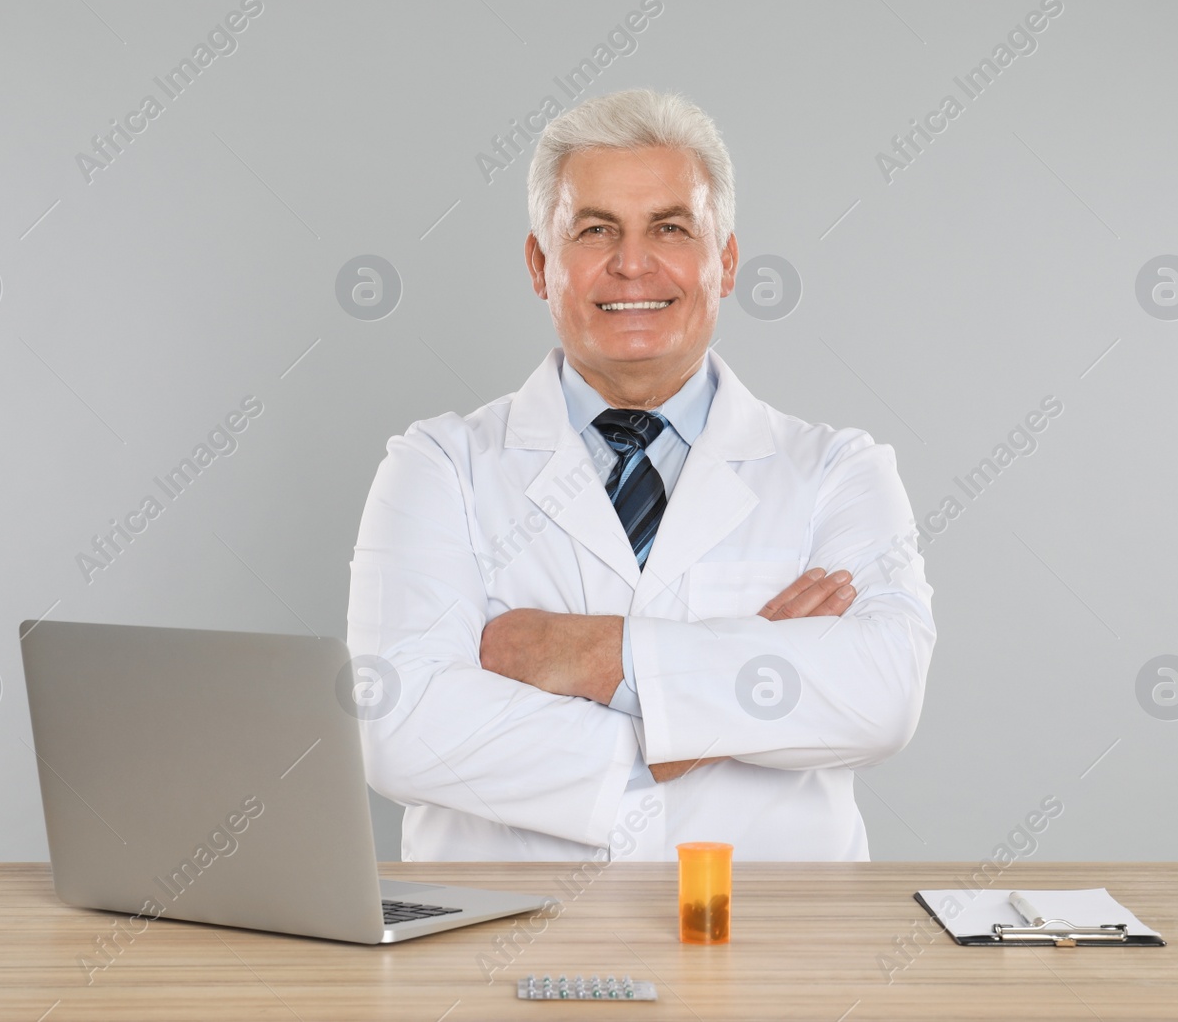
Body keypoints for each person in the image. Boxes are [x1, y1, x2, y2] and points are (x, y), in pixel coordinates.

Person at [346, 88, 934, 861]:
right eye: (595, 230)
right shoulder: (436, 467)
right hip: (499, 950)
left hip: (777, 953)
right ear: (539, 263)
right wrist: (727, 688)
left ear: (724, 262)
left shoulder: (837, 471)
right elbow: (403, 731)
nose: (631, 264)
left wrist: (594, 656)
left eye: (669, 228)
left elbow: (879, 693)